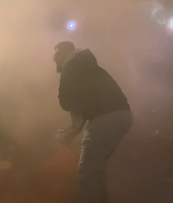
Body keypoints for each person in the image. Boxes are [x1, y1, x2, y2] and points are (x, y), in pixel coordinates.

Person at [54, 41, 133, 203]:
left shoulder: (70, 67)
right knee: (96, 168)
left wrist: (70, 132)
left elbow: (66, 103)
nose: (54, 60)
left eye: (56, 55)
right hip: (123, 116)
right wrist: (72, 131)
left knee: (87, 172)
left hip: (105, 119)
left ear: (64, 54)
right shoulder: (87, 66)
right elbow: (82, 107)